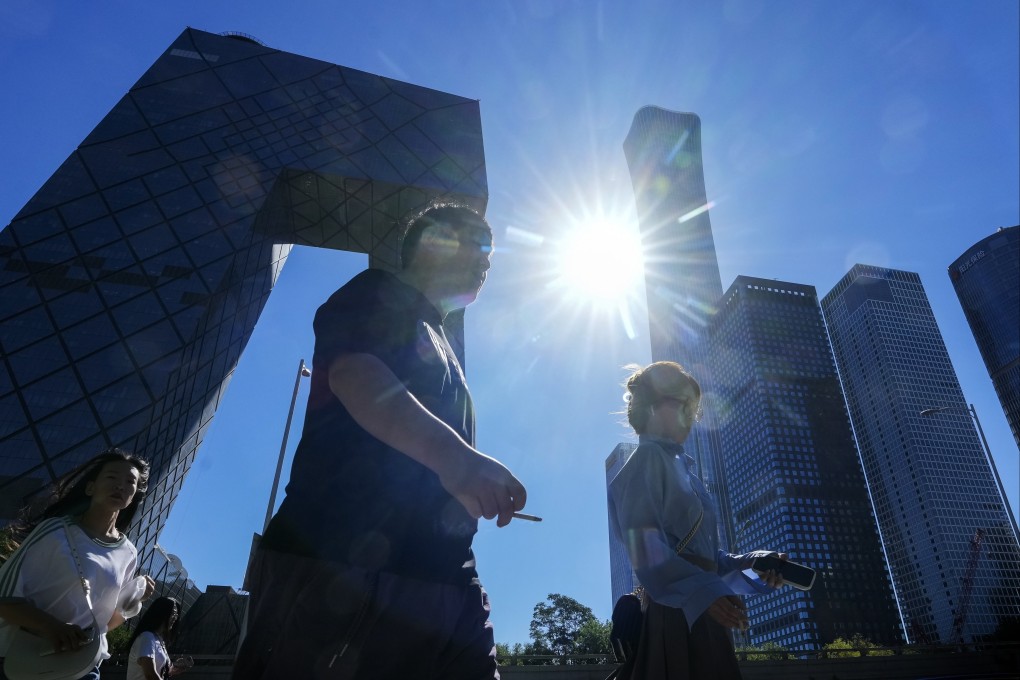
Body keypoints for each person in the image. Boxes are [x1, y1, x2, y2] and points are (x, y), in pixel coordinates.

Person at [234, 202, 528, 679]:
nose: (486, 262)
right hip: (341, 556)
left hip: (445, 574)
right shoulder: (376, 292)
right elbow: (355, 374)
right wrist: (458, 459)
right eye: (476, 245)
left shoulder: (445, 342)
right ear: (432, 243)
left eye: (490, 254)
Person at [607, 362, 785, 680]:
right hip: (677, 614)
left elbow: (709, 560)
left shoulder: (685, 471)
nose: (692, 415)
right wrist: (702, 591)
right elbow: (646, 550)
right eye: (684, 403)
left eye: (695, 408)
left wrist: (754, 562)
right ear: (653, 404)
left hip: (699, 605)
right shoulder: (646, 460)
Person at [0, 448, 156, 678]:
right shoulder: (55, 531)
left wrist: (135, 600)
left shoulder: (129, 553)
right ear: (90, 487)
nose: (120, 485)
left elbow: (104, 624)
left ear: (133, 495)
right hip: (27, 658)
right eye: (112, 477)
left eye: (129, 481)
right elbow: (4, 598)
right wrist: (52, 627)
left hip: (82, 666)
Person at [126, 597, 186, 680]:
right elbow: (150, 674)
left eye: (176, 615)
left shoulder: (159, 640)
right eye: (173, 613)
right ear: (162, 613)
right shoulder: (147, 637)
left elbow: (161, 672)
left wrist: (173, 668)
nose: (175, 618)